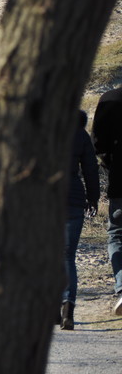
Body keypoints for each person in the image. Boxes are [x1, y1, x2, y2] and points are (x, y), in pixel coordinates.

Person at [60, 110, 99, 330]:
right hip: (74, 198)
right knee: (67, 256)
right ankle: (67, 308)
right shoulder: (80, 134)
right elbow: (91, 169)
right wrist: (93, 198)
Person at [92, 87, 122, 315]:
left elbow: (98, 143)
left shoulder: (111, 98)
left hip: (120, 180)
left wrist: (109, 162)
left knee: (117, 235)